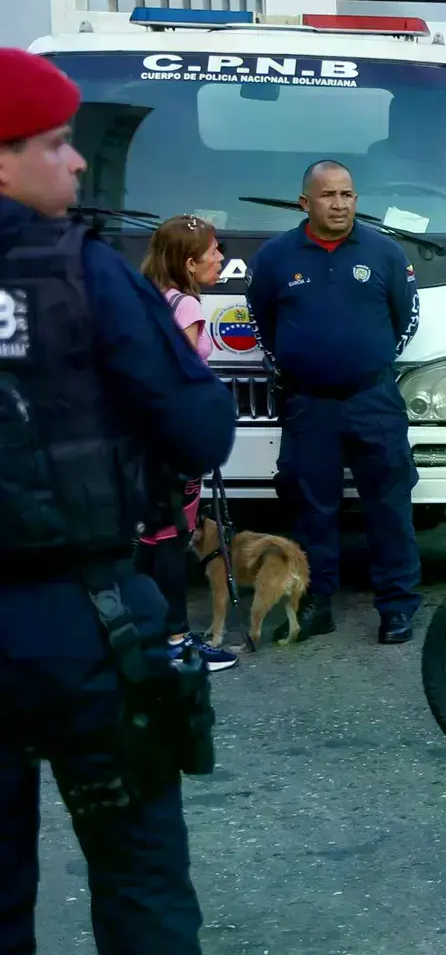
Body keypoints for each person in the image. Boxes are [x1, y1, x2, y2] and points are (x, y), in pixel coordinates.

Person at [0, 48, 291, 955]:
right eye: (54, 142)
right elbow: (200, 426)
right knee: (142, 885)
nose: (76, 159)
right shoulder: (85, 275)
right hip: (87, 626)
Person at [245, 161, 421, 646]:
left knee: (389, 506)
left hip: (373, 402)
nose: (339, 204)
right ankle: (314, 605)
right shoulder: (276, 257)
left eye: (347, 194)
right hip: (309, 406)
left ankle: (397, 608)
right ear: (306, 203)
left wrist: (369, 363)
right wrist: (297, 368)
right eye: (328, 196)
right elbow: (261, 321)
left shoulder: (384, 253)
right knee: (310, 511)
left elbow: (406, 318)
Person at [136, 216, 236, 674]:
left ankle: (144, 634)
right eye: (214, 252)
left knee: (144, 539)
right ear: (189, 263)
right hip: (172, 445)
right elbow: (177, 380)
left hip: (139, 443)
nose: (222, 259)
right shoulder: (188, 310)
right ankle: (176, 641)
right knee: (170, 541)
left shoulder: (145, 300)